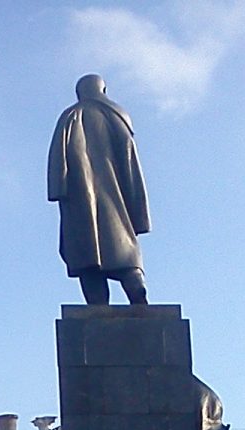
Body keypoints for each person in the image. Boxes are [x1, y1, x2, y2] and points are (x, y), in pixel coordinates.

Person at [47, 73, 150, 307]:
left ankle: (97, 306)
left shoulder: (70, 116)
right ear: (102, 90)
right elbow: (131, 166)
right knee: (123, 250)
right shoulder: (118, 119)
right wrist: (139, 214)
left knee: (86, 256)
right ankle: (136, 287)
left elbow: (57, 163)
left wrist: (58, 190)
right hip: (116, 201)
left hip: (79, 202)